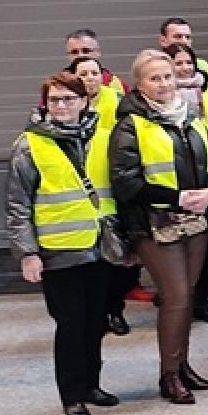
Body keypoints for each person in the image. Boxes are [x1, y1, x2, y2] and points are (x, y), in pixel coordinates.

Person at [6, 73, 119, 415]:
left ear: (85, 101)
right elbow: (17, 205)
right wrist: (27, 253)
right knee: (70, 324)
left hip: (100, 247)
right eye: (54, 100)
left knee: (95, 321)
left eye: (69, 99)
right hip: (58, 250)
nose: (62, 106)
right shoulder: (29, 145)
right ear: (45, 105)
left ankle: (91, 386)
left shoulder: (103, 137)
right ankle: (72, 395)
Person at [110, 48, 208, 404]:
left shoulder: (192, 115)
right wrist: (178, 197)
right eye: (154, 78)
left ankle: (182, 365)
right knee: (175, 296)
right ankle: (168, 375)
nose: (163, 84)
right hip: (155, 224)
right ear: (139, 85)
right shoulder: (129, 125)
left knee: (187, 296)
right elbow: (125, 183)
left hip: (196, 219)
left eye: (167, 76)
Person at [69, 56, 133, 337]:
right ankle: (95, 314)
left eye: (94, 72)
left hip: (111, 190)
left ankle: (115, 310)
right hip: (78, 199)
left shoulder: (117, 100)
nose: (90, 78)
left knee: (117, 262)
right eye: (83, 73)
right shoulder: (65, 103)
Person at [163, 43, 208, 324]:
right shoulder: (165, 105)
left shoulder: (206, 91)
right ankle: (181, 304)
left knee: (205, 245)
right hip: (173, 193)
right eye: (178, 64)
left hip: (204, 181)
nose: (185, 68)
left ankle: (201, 299)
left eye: (189, 63)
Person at [65, 28, 127, 93]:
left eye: (86, 51)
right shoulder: (58, 84)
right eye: (74, 52)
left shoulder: (117, 84)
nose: (80, 55)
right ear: (68, 56)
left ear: (98, 52)